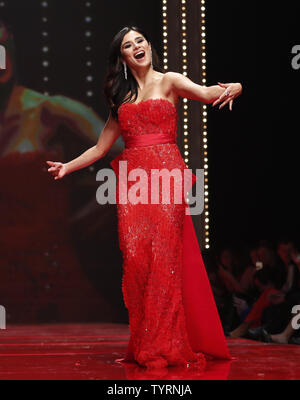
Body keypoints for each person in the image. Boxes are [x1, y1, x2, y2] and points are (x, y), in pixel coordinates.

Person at [47, 26, 242, 369]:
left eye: (140, 40)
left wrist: (236, 87)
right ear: (122, 57)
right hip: (134, 183)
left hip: (167, 178)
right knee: (137, 260)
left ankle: (163, 345)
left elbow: (210, 93)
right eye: (128, 45)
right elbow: (100, 147)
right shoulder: (120, 97)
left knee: (163, 259)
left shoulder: (170, 81)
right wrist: (68, 167)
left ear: (148, 45)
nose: (137, 46)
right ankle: (146, 339)